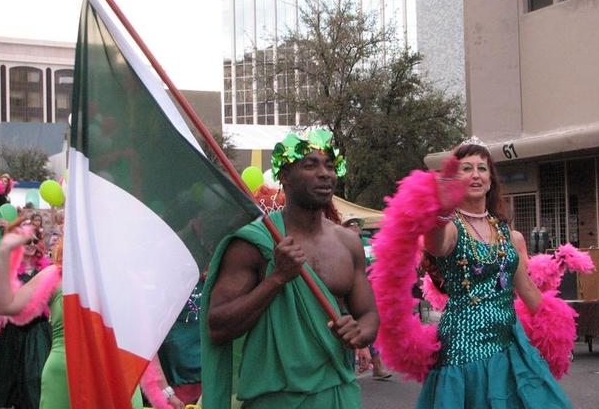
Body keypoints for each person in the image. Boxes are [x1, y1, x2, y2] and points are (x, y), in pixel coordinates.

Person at [371, 139, 573, 408]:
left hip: (510, 346)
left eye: (482, 168)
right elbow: (437, 245)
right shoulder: (451, 228)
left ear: (491, 180)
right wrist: (441, 213)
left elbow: (526, 289)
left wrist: (557, 331)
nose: (476, 174)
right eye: (466, 168)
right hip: (464, 350)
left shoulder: (510, 235)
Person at [201, 129, 379, 408]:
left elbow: (368, 315)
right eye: (310, 165)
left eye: (330, 166)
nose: (324, 173)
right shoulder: (255, 242)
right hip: (276, 399)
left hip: (338, 394)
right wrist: (277, 279)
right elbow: (218, 326)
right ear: (284, 176)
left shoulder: (348, 242)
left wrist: (360, 332)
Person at [0, 224, 181, 409]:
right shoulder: (57, 274)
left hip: (117, 378)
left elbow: (142, 339)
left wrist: (164, 390)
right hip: (66, 380)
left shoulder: (125, 279)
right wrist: (5, 252)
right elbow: (5, 305)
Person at [0, 220, 51, 409]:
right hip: (11, 335)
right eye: (26, 241)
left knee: (35, 384)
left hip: (37, 335)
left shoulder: (47, 271)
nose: (31, 245)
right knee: (7, 385)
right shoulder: (8, 271)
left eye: (34, 240)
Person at [342, 216, 392, 381]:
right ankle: (366, 364)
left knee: (368, 323)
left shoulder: (368, 243)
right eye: (350, 224)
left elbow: (377, 263)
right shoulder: (338, 242)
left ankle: (376, 365)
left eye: (357, 223)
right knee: (348, 326)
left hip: (367, 290)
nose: (355, 226)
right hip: (345, 291)